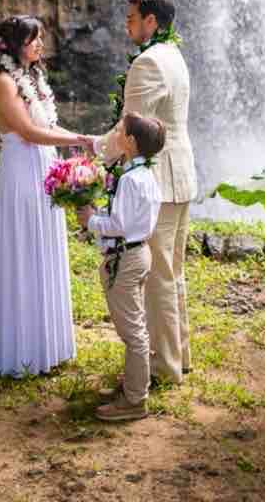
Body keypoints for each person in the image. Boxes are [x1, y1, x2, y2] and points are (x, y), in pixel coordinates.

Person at [95, 0, 195, 387]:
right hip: (181, 174)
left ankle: (165, 367)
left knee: (157, 278)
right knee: (173, 273)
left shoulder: (148, 62)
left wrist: (91, 154)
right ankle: (178, 356)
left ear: (151, 21)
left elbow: (129, 128)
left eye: (132, 18)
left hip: (160, 180)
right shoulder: (174, 55)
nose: (127, 25)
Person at [0, 15, 93, 377]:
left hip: (44, 165)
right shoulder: (5, 83)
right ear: (16, 45)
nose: (40, 45)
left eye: (41, 38)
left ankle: (50, 343)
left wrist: (79, 138)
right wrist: (77, 141)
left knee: (45, 246)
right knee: (25, 248)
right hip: (21, 168)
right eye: (34, 39)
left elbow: (47, 126)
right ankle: (22, 350)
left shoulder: (34, 79)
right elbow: (29, 132)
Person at [77, 112, 167, 422]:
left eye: (120, 130)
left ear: (129, 142)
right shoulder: (144, 175)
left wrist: (91, 220)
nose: (115, 134)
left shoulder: (130, 180)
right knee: (135, 325)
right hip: (138, 255)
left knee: (133, 332)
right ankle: (133, 385)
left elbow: (120, 224)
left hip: (126, 259)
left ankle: (135, 400)